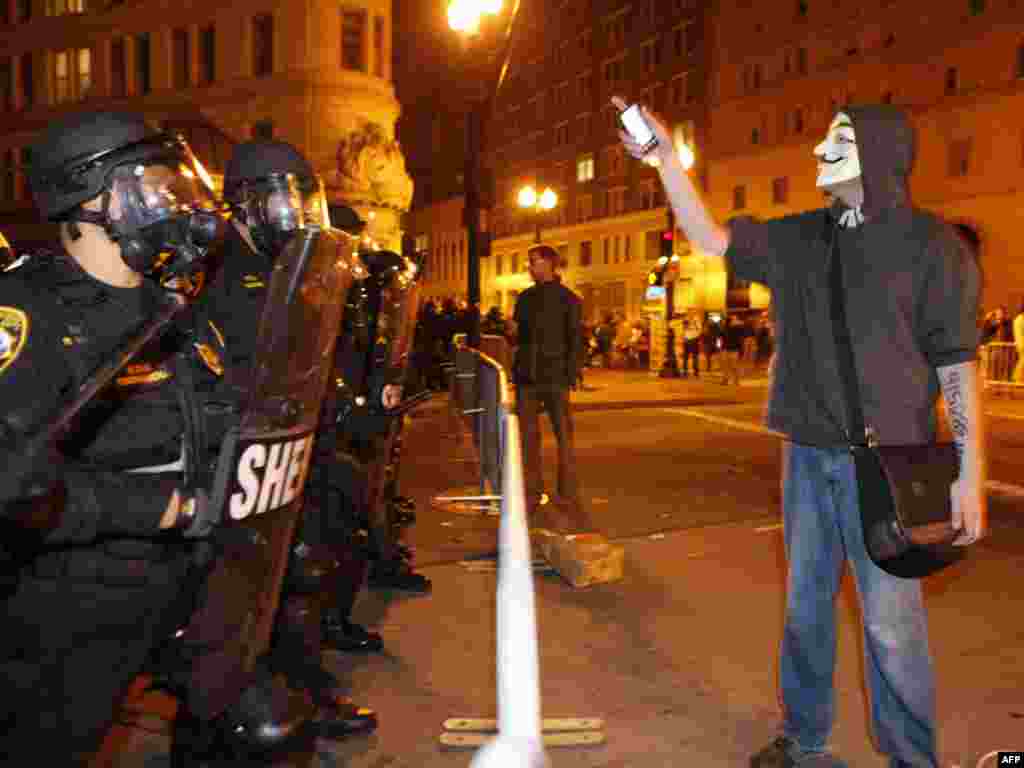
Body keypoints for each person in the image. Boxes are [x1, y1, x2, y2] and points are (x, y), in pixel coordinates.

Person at [617, 95, 986, 768]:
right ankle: (805, 740)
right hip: (806, 456)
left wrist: (968, 472)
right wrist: (667, 161)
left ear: (878, 155)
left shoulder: (933, 248)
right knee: (805, 609)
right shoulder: (799, 237)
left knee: (891, 626)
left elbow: (958, 364)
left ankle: (914, 761)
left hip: (892, 464)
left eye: (836, 143)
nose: (819, 152)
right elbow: (710, 238)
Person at [0, 110, 296, 764]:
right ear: (90, 196)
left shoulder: (172, 306)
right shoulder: (29, 313)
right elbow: (12, 480)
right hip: (75, 593)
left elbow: (218, 413)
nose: (170, 201)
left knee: (254, 730)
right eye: (151, 185)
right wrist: (161, 506)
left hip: (190, 574)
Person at [203, 140, 379, 739]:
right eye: (285, 198)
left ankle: (301, 689)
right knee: (257, 594)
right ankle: (246, 709)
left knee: (301, 576)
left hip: (296, 452)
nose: (298, 213)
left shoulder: (291, 272)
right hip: (247, 464)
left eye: (306, 199)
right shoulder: (219, 279)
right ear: (245, 206)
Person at [508, 244, 587, 531]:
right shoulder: (529, 298)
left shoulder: (566, 299)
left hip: (550, 374)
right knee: (534, 435)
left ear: (550, 265)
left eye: (534, 262)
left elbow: (576, 338)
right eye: (529, 262)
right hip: (534, 373)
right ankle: (537, 490)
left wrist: (573, 370)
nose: (530, 267)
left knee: (559, 433)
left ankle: (560, 488)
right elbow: (517, 335)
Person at [1013, 301, 1024, 383]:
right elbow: (1019, 335)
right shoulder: (1019, 319)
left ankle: (1017, 378)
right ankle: (1017, 378)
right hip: (1022, 345)